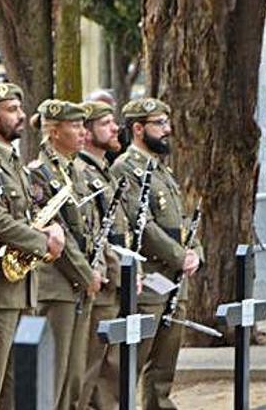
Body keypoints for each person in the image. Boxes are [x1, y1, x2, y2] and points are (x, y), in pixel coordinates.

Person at [0, 83, 66, 410]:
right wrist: (42, 242)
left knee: (15, 392)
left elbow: (25, 215)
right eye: (12, 110)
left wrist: (51, 228)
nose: (22, 116)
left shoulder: (12, 161)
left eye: (21, 109)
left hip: (22, 289)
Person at [111, 98, 203, 410]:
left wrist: (195, 252)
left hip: (176, 282)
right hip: (151, 280)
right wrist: (180, 256)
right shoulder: (126, 168)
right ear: (138, 129)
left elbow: (184, 220)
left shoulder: (162, 171)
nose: (167, 130)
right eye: (159, 124)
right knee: (135, 362)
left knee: (164, 368)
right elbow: (144, 227)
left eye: (166, 123)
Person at [26, 99, 100, 410]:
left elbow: (92, 225)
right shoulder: (39, 173)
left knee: (74, 377)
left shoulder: (80, 171)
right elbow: (59, 234)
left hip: (82, 284)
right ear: (53, 131)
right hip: (58, 285)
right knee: (53, 377)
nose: (83, 132)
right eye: (74, 126)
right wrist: (86, 275)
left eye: (83, 125)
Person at [77, 101, 127, 409]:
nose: (114, 128)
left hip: (117, 277)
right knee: (88, 368)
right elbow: (93, 232)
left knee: (110, 367)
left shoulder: (104, 170)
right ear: (87, 131)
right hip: (102, 279)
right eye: (106, 123)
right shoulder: (83, 172)